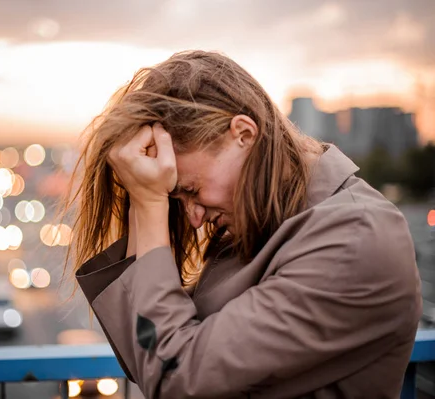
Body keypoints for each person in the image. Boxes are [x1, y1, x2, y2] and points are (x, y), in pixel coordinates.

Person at [64, 50, 422, 398]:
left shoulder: (355, 239)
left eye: (191, 189)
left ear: (244, 135)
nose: (194, 217)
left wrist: (149, 202)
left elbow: (175, 375)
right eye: (178, 199)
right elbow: (149, 351)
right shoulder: (265, 223)